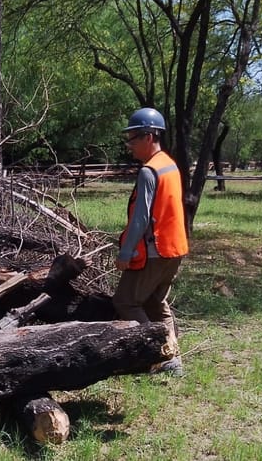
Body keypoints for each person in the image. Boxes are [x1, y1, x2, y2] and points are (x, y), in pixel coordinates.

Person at [114, 107, 189, 376]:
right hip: (175, 250)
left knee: (126, 301)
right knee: (156, 303)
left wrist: (126, 252)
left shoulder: (149, 171)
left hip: (155, 251)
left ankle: (158, 354)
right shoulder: (169, 164)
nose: (129, 145)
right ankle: (173, 357)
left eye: (133, 139)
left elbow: (140, 219)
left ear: (149, 137)